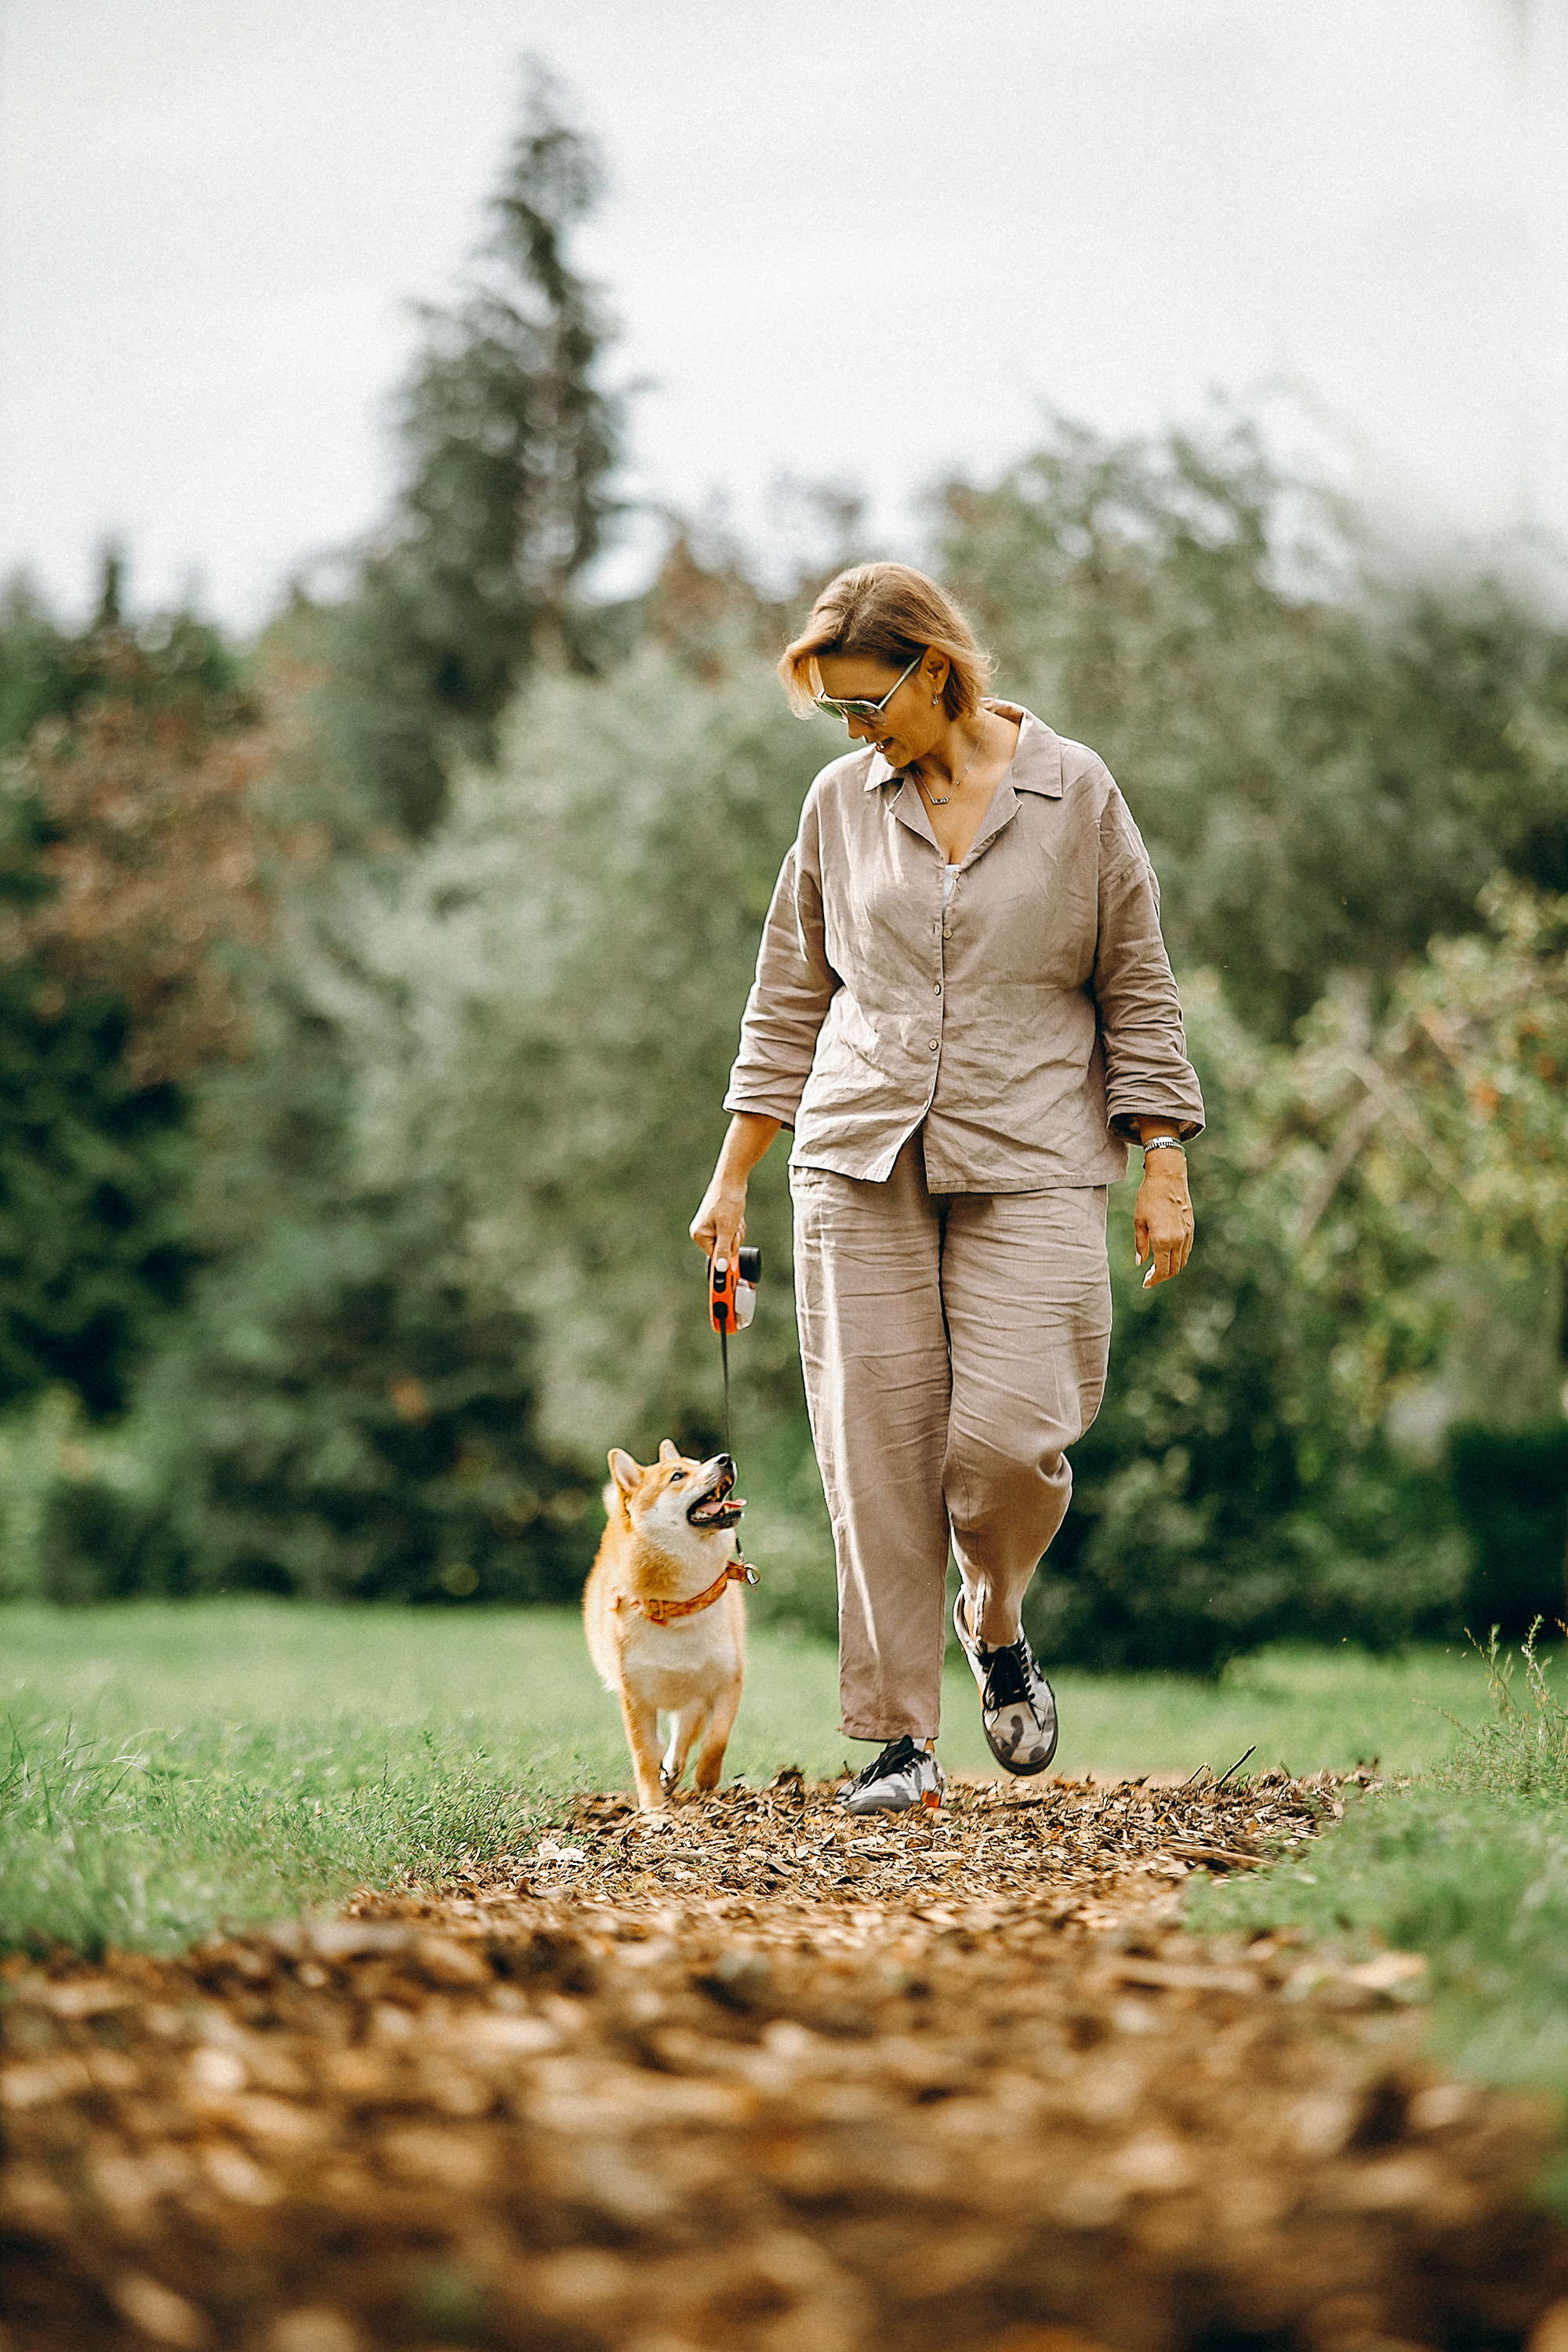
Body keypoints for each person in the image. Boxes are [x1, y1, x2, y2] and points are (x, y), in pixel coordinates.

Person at [689, 564, 1203, 1815]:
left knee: (1012, 1445)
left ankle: (998, 1613)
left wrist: (1165, 1155)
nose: (857, 733)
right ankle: (899, 1740)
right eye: (836, 716)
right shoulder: (838, 806)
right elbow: (788, 999)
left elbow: (1135, 981)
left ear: (935, 669)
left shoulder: (1073, 791)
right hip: (856, 1153)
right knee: (877, 1452)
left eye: (869, 705)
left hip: (1034, 1149)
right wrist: (730, 1182)